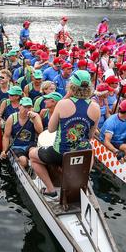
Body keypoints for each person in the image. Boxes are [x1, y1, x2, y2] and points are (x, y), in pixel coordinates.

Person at [29, 70, 99, 198]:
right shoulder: (96, 107)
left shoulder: (62, 104)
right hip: (83, 153)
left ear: (71, 86)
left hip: (61, 153)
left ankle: (51, 190)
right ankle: (80, 185)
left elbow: (50, 129)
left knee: (32, 155)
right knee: (89, 150)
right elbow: (90, 136)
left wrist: (67, 96)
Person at [0, 97, 43, 167]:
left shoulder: (35, 116)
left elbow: (40, 132)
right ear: (19, 107)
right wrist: (4, 151)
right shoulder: (12, 118)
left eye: (29, 107)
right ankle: (27, 163)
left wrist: (34, 119)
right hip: (17, 146)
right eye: (25, 107)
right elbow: (6, 136)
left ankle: (32, 164)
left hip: (30, 145)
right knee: (23, 161)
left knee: (33, 152)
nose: (27, 110)